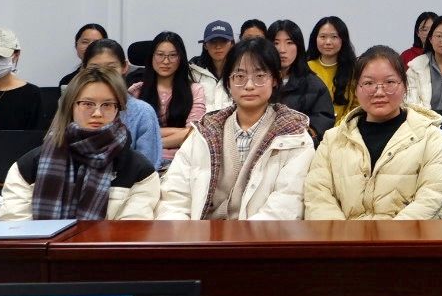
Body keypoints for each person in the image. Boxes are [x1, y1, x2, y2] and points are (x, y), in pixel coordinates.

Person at [158, 36, 316, 219]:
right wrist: (187, 234)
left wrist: (240, 237)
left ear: (275, 79)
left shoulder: (294, 137)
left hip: (260, 235)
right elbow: (174, 198)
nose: (249, 85)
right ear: (228, 82)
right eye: (239, 76)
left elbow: (285, 206)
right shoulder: (205, 132)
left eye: (259, 76)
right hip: (200, 233)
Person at [304, 46, 442, 220]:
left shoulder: (430, 137)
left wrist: (388, 236)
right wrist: (344, 236)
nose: (379, 92)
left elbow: (435, 195)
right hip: (343, 236)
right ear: (356, 88)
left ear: (405, 86)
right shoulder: (333, 139)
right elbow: (317, 196)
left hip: (406, 236)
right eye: (369, 83)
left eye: (390, 82)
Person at [0, 65, 161, 220]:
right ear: (71, 106)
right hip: (40, 242)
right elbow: (15, 228)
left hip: (109, 242)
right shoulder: (29, 166)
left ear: (118, 109)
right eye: (87, 104)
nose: (97, 113)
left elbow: (133, 232)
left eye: (107, 105)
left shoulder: (139, 170)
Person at [128, 31, 214, 168]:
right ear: (151, 57)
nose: (166, 61)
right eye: (160, 55)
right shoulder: (136, 91)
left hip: (181, 162)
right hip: (144, 163)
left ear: (181, 58)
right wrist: (180, 133)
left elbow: (194, 132)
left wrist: (149, 140)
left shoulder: (195, 90)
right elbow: (132, 132)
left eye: (173, 55)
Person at [78, 38, 161, 170]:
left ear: (124, 67)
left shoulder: (142, 112)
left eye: (111, 68)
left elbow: (148, 168)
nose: (103, 74)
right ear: (84, 69)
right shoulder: (75, 107)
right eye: (95, 68)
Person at [268, 18, 333, 142]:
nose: (282, 50)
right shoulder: (258, 82)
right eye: (276, 43)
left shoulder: (314, 86)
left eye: (289, 43)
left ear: (299, 47)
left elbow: (322, 124)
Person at [307, 15, 357, 122]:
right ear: (315, 39)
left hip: (345, 127)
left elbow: (357, 107)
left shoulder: (353, 71)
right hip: (312, 128)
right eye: (323, 37)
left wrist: (340, 127)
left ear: (343, 40)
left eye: (334, 37)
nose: (328, 42)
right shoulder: (306, 68)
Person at [59, 23, 108, 87]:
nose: (90, 47)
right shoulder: (67, 81)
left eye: (96, 42)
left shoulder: (114, 78)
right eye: (85, 42)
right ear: (76, 46)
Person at [197, 19, 234, 84]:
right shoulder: (193, 70)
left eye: (223, 41)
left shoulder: (241, 70)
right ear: (205, 45)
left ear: (232, 44)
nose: (218, 47)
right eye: (213, 41)